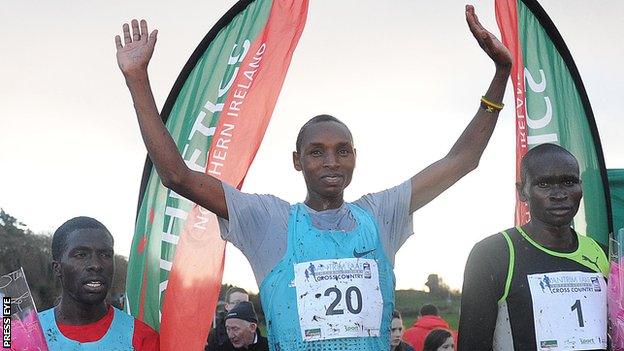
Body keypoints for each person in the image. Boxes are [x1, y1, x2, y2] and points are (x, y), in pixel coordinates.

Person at [115, 4, 511, 350]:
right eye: (316, 152)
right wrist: (137, 79)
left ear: (355, 158)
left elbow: (462, 160)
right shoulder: (269, 221)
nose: (331, 162)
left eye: (342, 151)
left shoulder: (380, 214)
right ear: (297, 161)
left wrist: (501, 72)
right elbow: (177, 176)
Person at [458, 144, 609, 350]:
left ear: (580, 187)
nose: (559, 194)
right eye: (544, 184)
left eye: (569, 182)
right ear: (522, 192)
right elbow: (472, 344)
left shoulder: (603, 253)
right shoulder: (493, 254)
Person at [38, 217, 159, 350]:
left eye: (105, 255)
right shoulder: (21, 334)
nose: (96, 265)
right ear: (57, 268)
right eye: (81, 255)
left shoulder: (142, 338)